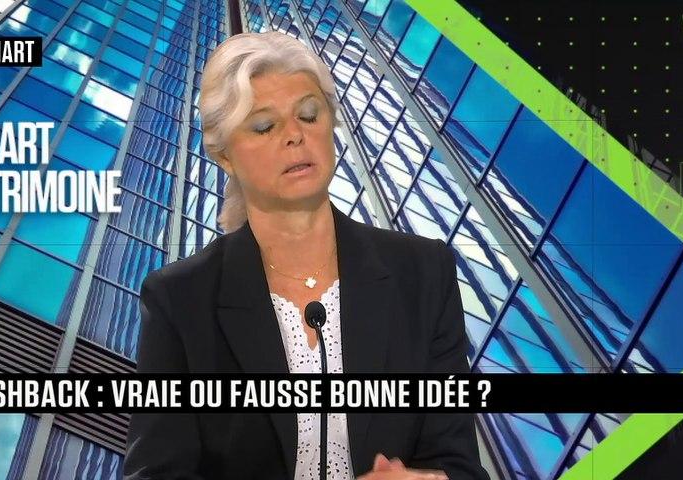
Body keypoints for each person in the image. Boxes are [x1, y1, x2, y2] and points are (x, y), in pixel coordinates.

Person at [123, 31, 490, 480]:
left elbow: (458, 462)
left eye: (309, 115)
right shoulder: (179, 299)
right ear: (224, 156)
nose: (295, 135)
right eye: (265, 126)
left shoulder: (424, 273)